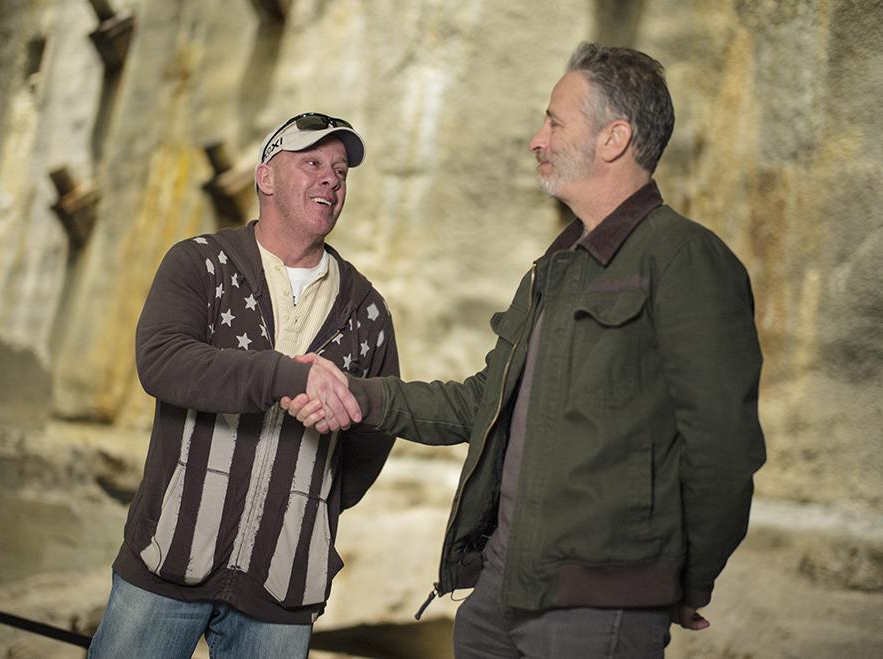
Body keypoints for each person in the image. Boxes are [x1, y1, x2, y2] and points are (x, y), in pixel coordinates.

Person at [285, 43, 766, 658]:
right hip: (496, 598)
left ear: (613, 138)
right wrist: (358, 393)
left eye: (555, 122)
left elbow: (723, 447)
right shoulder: (554, 269)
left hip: (597, 610)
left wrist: (685, 578)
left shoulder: (685, 259)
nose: (538, 140)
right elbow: (482, 404)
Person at [88, 112, 399, 658]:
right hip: (166, 564)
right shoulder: (199, 264)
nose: (331, 178)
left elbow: (373, 435)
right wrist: (284, 375)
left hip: (282, 592)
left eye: (341, 170)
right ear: (266, 177)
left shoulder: (366, 310)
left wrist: (311, 505)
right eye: (311, 163)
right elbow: (162, 361)